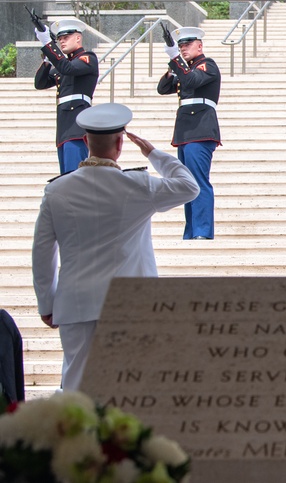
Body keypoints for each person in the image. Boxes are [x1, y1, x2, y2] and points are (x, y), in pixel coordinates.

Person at [31, 103, 199, 390]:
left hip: (77, 302)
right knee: (131, 388)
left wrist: (47, 303)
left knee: (77, 388)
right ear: (121, 143)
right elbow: (189, 186)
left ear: (85, 141)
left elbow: (43, 252)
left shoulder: (57, 190)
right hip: (130, 302)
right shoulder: (138, 185)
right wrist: (153, 153)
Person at [156, 27, 221, 240]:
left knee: (199, 182)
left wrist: (176, 59)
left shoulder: (207, 65)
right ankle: (191, 231)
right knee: (187, 184)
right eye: (180, 46)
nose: (183, 48)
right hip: (185, 132)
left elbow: (192, 81)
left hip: (201, 129)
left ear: (199, 45)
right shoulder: (185, 69)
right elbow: (163, 87)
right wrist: (174, 65)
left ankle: (202, 231)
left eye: (187, 45)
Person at [33, 18, 99, 174]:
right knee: (65, 178)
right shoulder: (64, 64)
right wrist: (48, 59)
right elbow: (40, 83)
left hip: (77, 127)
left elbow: (68, 68)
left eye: (66, 38)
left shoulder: (87, 58)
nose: (62, 42)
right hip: (63, 128)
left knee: (74, 177)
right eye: (59, 39)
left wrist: (48, 44)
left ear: (78, 38)